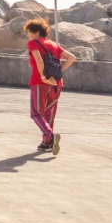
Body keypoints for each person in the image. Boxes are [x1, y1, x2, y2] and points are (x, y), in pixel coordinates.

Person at [24, 18, 75, 155]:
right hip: (57, 83)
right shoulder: (54, 44)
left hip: (40, 82)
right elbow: (71, 57)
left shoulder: (33, 43)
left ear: (36, 32)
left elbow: (39, 59)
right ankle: (47, 143)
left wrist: (43, 77)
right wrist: (59, 71)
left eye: (28, 31)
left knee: (36, 113)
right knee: (49, 112)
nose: (27, 34)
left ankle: (50, 135)